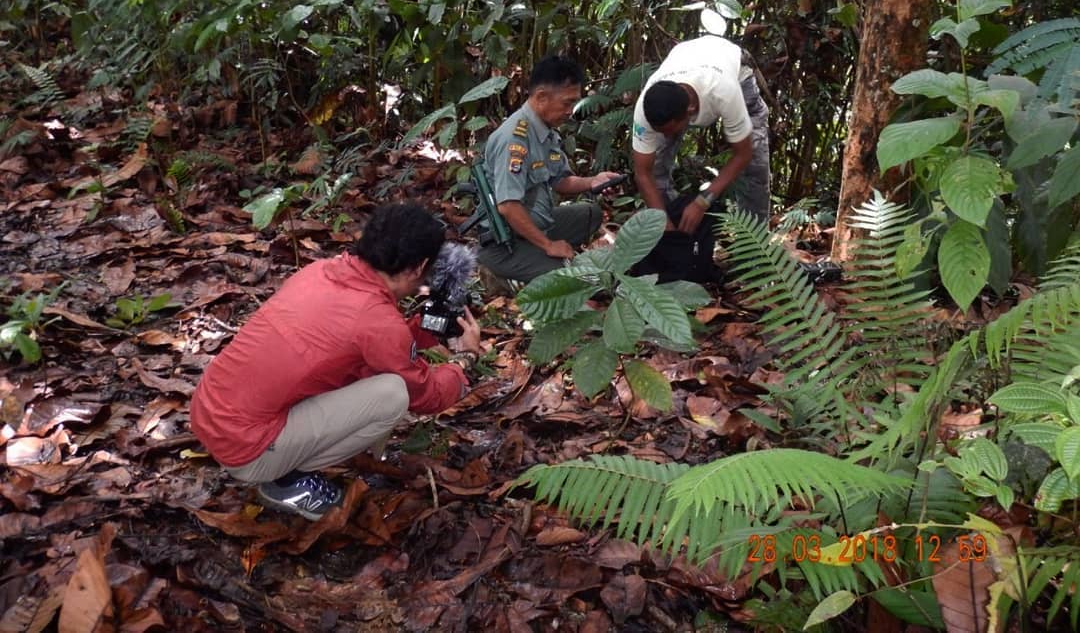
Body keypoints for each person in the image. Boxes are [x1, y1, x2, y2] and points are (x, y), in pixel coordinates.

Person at [189, 202, 482, 521]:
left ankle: (285, 463)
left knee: (370, 376)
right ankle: (288, 481)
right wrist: (464, 360)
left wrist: (424, 330)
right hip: (247, 451)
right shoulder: (376, 321)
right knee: (392, 394)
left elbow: (363, 348)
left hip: (210, 414)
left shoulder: (321, 272)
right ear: (418, 267)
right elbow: (425, 395)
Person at [476, 55, 622, 287]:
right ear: (542, 97)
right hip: (505, 243)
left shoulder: (546, 130)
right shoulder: (514, 138)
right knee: (578, 278)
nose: (571, 111)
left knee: (590, 214)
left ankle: (537, 259)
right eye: (567, 103)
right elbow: (508, 206)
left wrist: (593, 180)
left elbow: (560, 181)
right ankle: (501, 271)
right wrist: (548, 245)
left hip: (536, 224)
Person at [631, 34, 771, 234]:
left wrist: (702, 201)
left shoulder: (724, 92)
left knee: (756, 163)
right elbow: (643, 173)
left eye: (670, 131)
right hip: (685, 57)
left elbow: (743, 154)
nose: (667, 136)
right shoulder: (646, 108)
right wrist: (663, 223)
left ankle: (755, 244)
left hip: (732, 68)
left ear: (689, 113)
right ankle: (672, 230)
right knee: (657, 166)